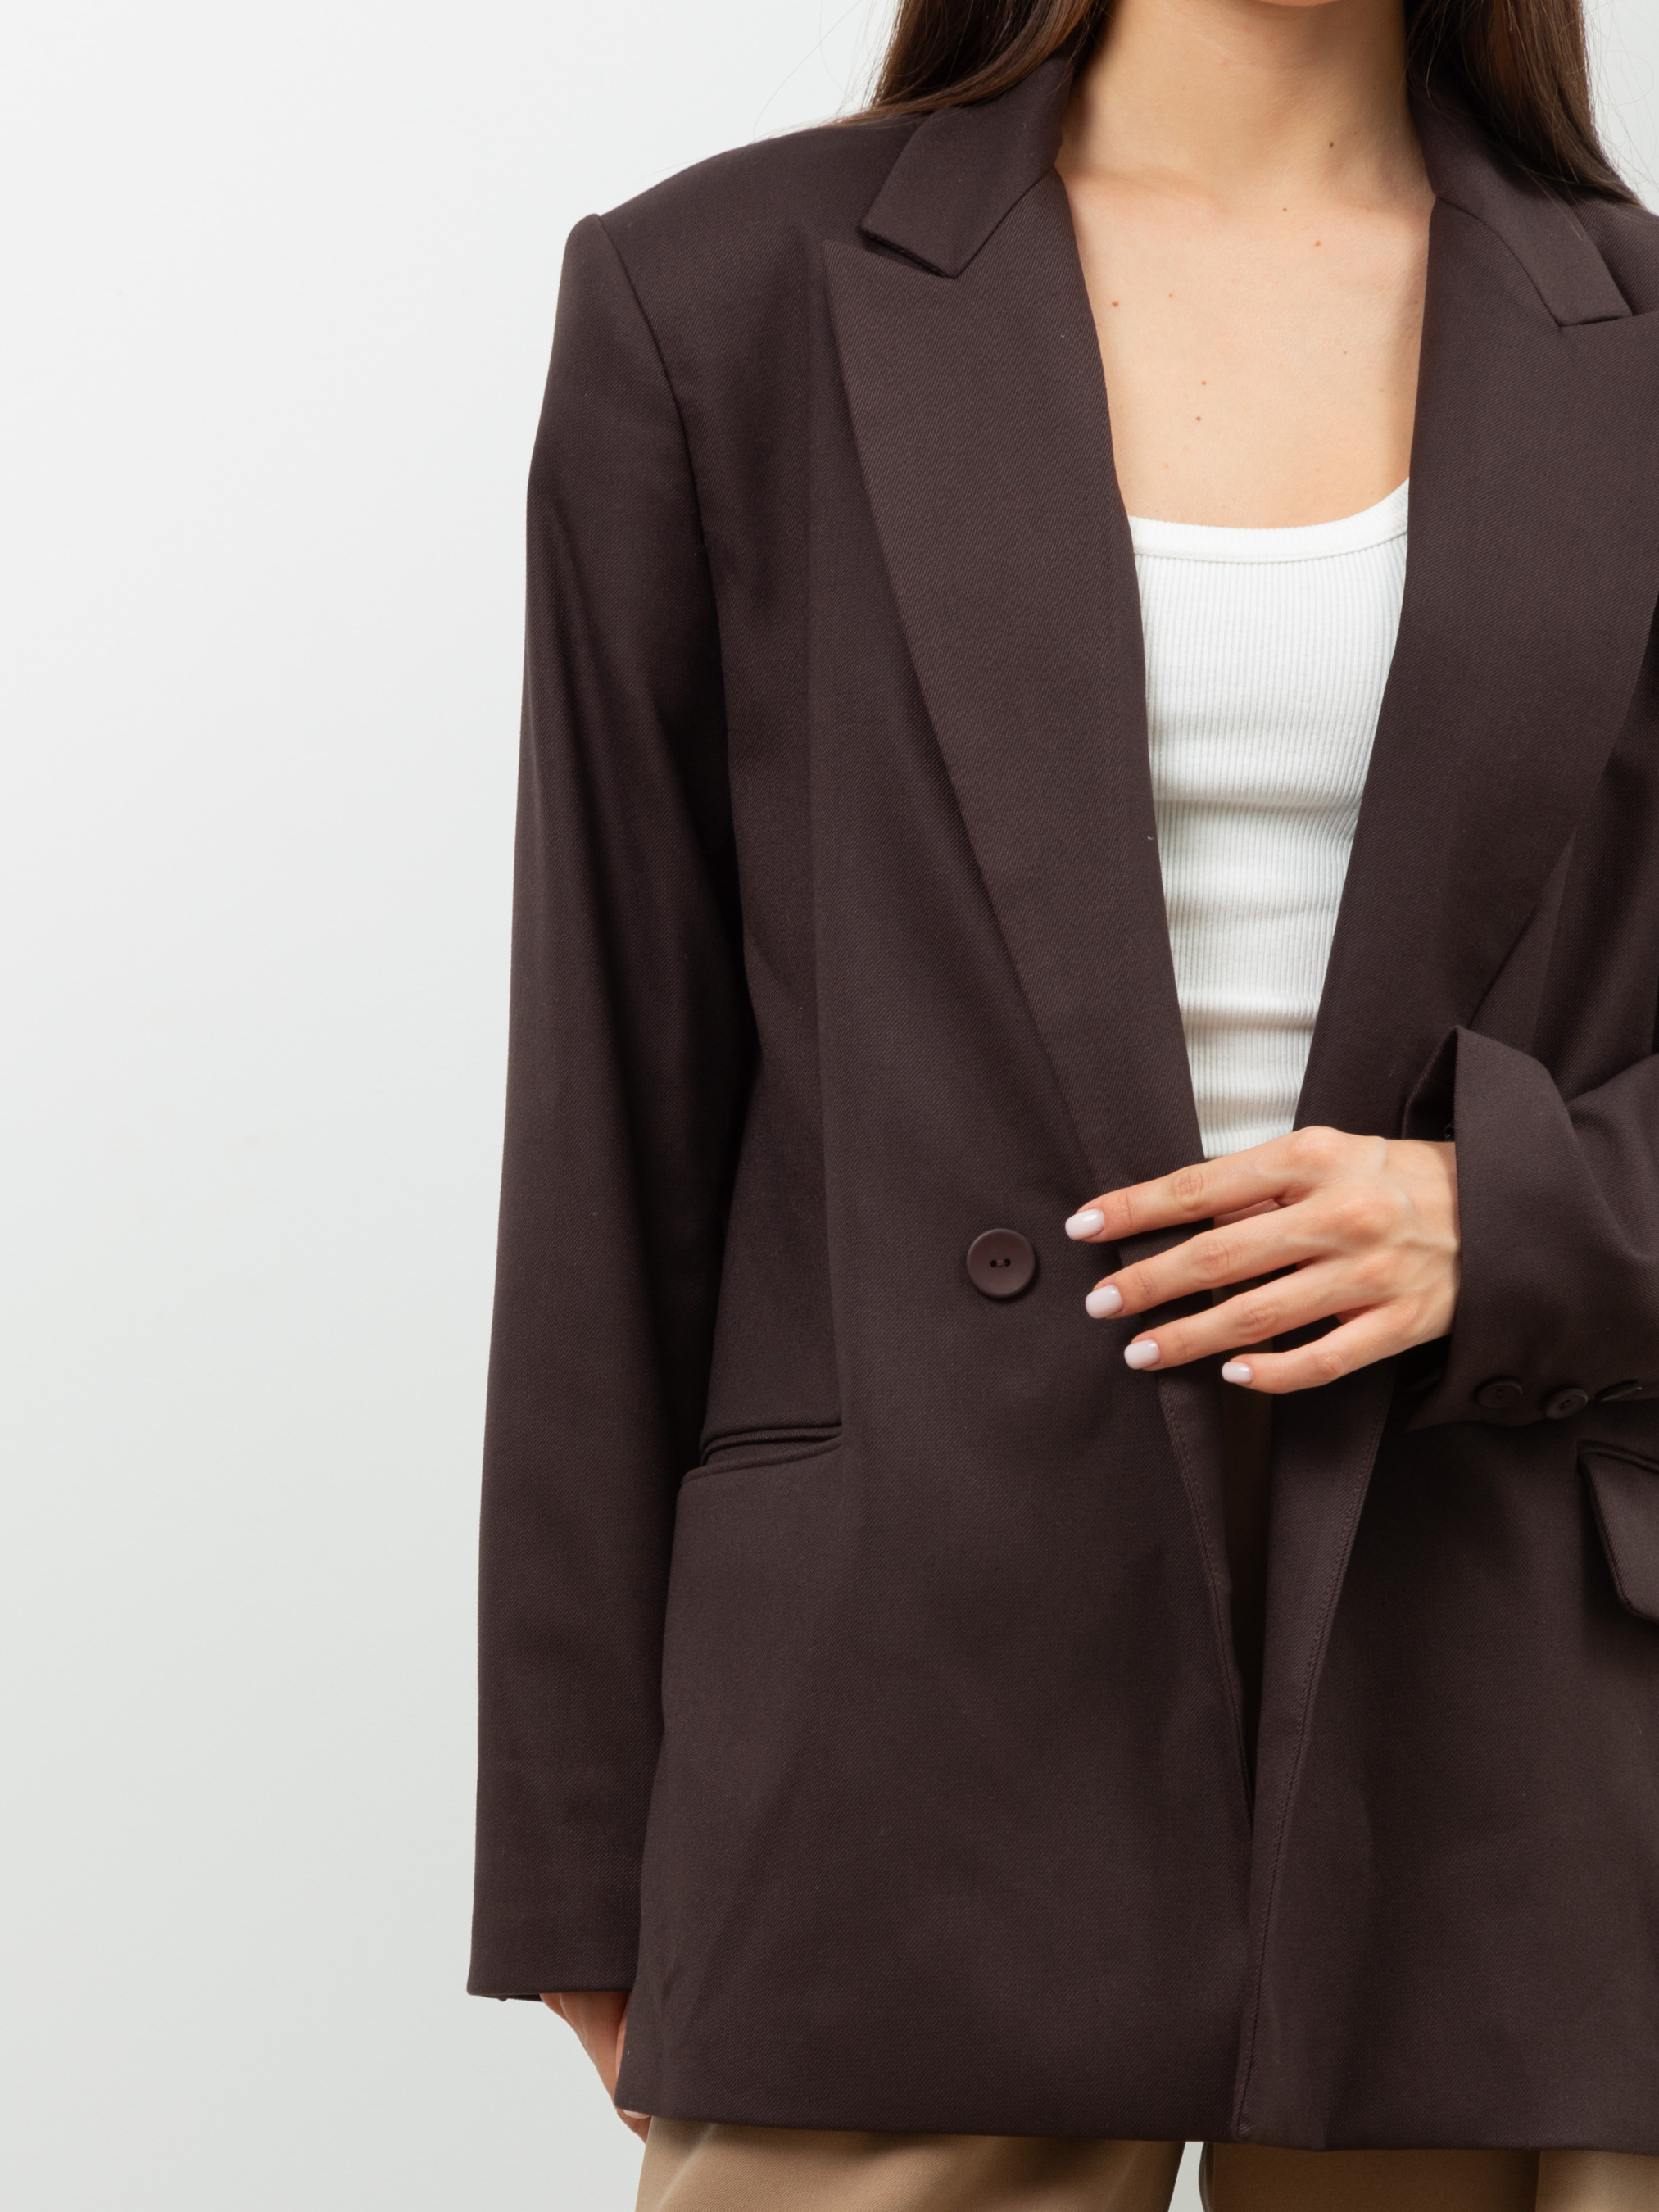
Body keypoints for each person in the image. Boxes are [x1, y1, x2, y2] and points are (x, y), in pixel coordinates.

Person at [469, 0, 1659, 2204]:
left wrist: (1515, 1215)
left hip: (1516, 1711)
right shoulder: (716, 297)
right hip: (903, 1691)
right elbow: (614, 1095)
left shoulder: (1640, 338)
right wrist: (572, 1839)